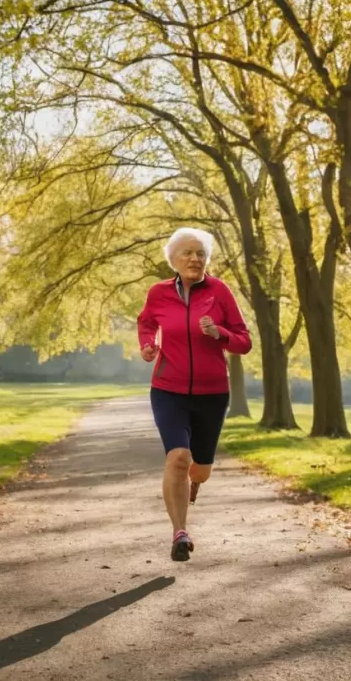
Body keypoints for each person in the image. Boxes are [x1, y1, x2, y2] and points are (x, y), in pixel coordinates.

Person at [137, 228, 252, 562]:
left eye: (200, 253)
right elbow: (146, 323)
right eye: (187, 253)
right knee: (178, 458)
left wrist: (220, 333)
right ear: (173, 259)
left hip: (212, 393)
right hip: (168, 389)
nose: (194, 259)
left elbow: (244, 341)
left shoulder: (220, 292)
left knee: (199, 469)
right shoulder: (158, 293)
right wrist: (147, 345)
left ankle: (195, 483)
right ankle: (180, 532)